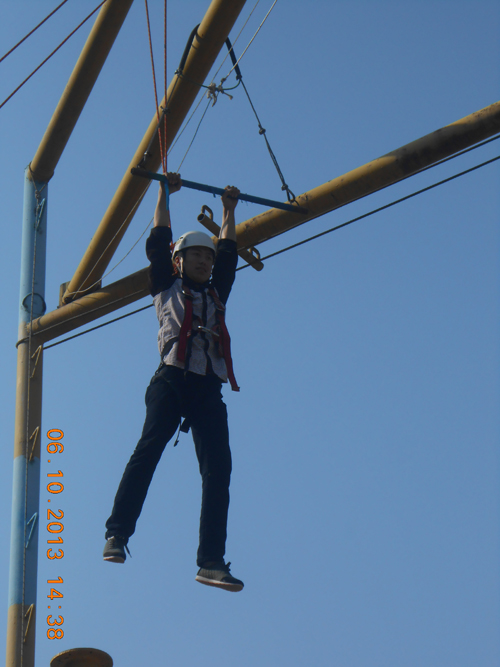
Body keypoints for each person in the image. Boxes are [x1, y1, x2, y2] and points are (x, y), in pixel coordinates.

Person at [103, 173, 244, 592]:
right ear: (179, 261)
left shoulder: (217, 292)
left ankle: (210, 560)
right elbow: (159, 240)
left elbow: (229, 256)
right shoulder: (166, 284)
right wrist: (163, 194)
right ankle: (117, 533)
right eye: (195, 255)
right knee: (149, 449)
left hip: (208, 389)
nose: (204, 262)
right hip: (172, 380)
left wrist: (229, 212)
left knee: (219, 469)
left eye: (207, 257)